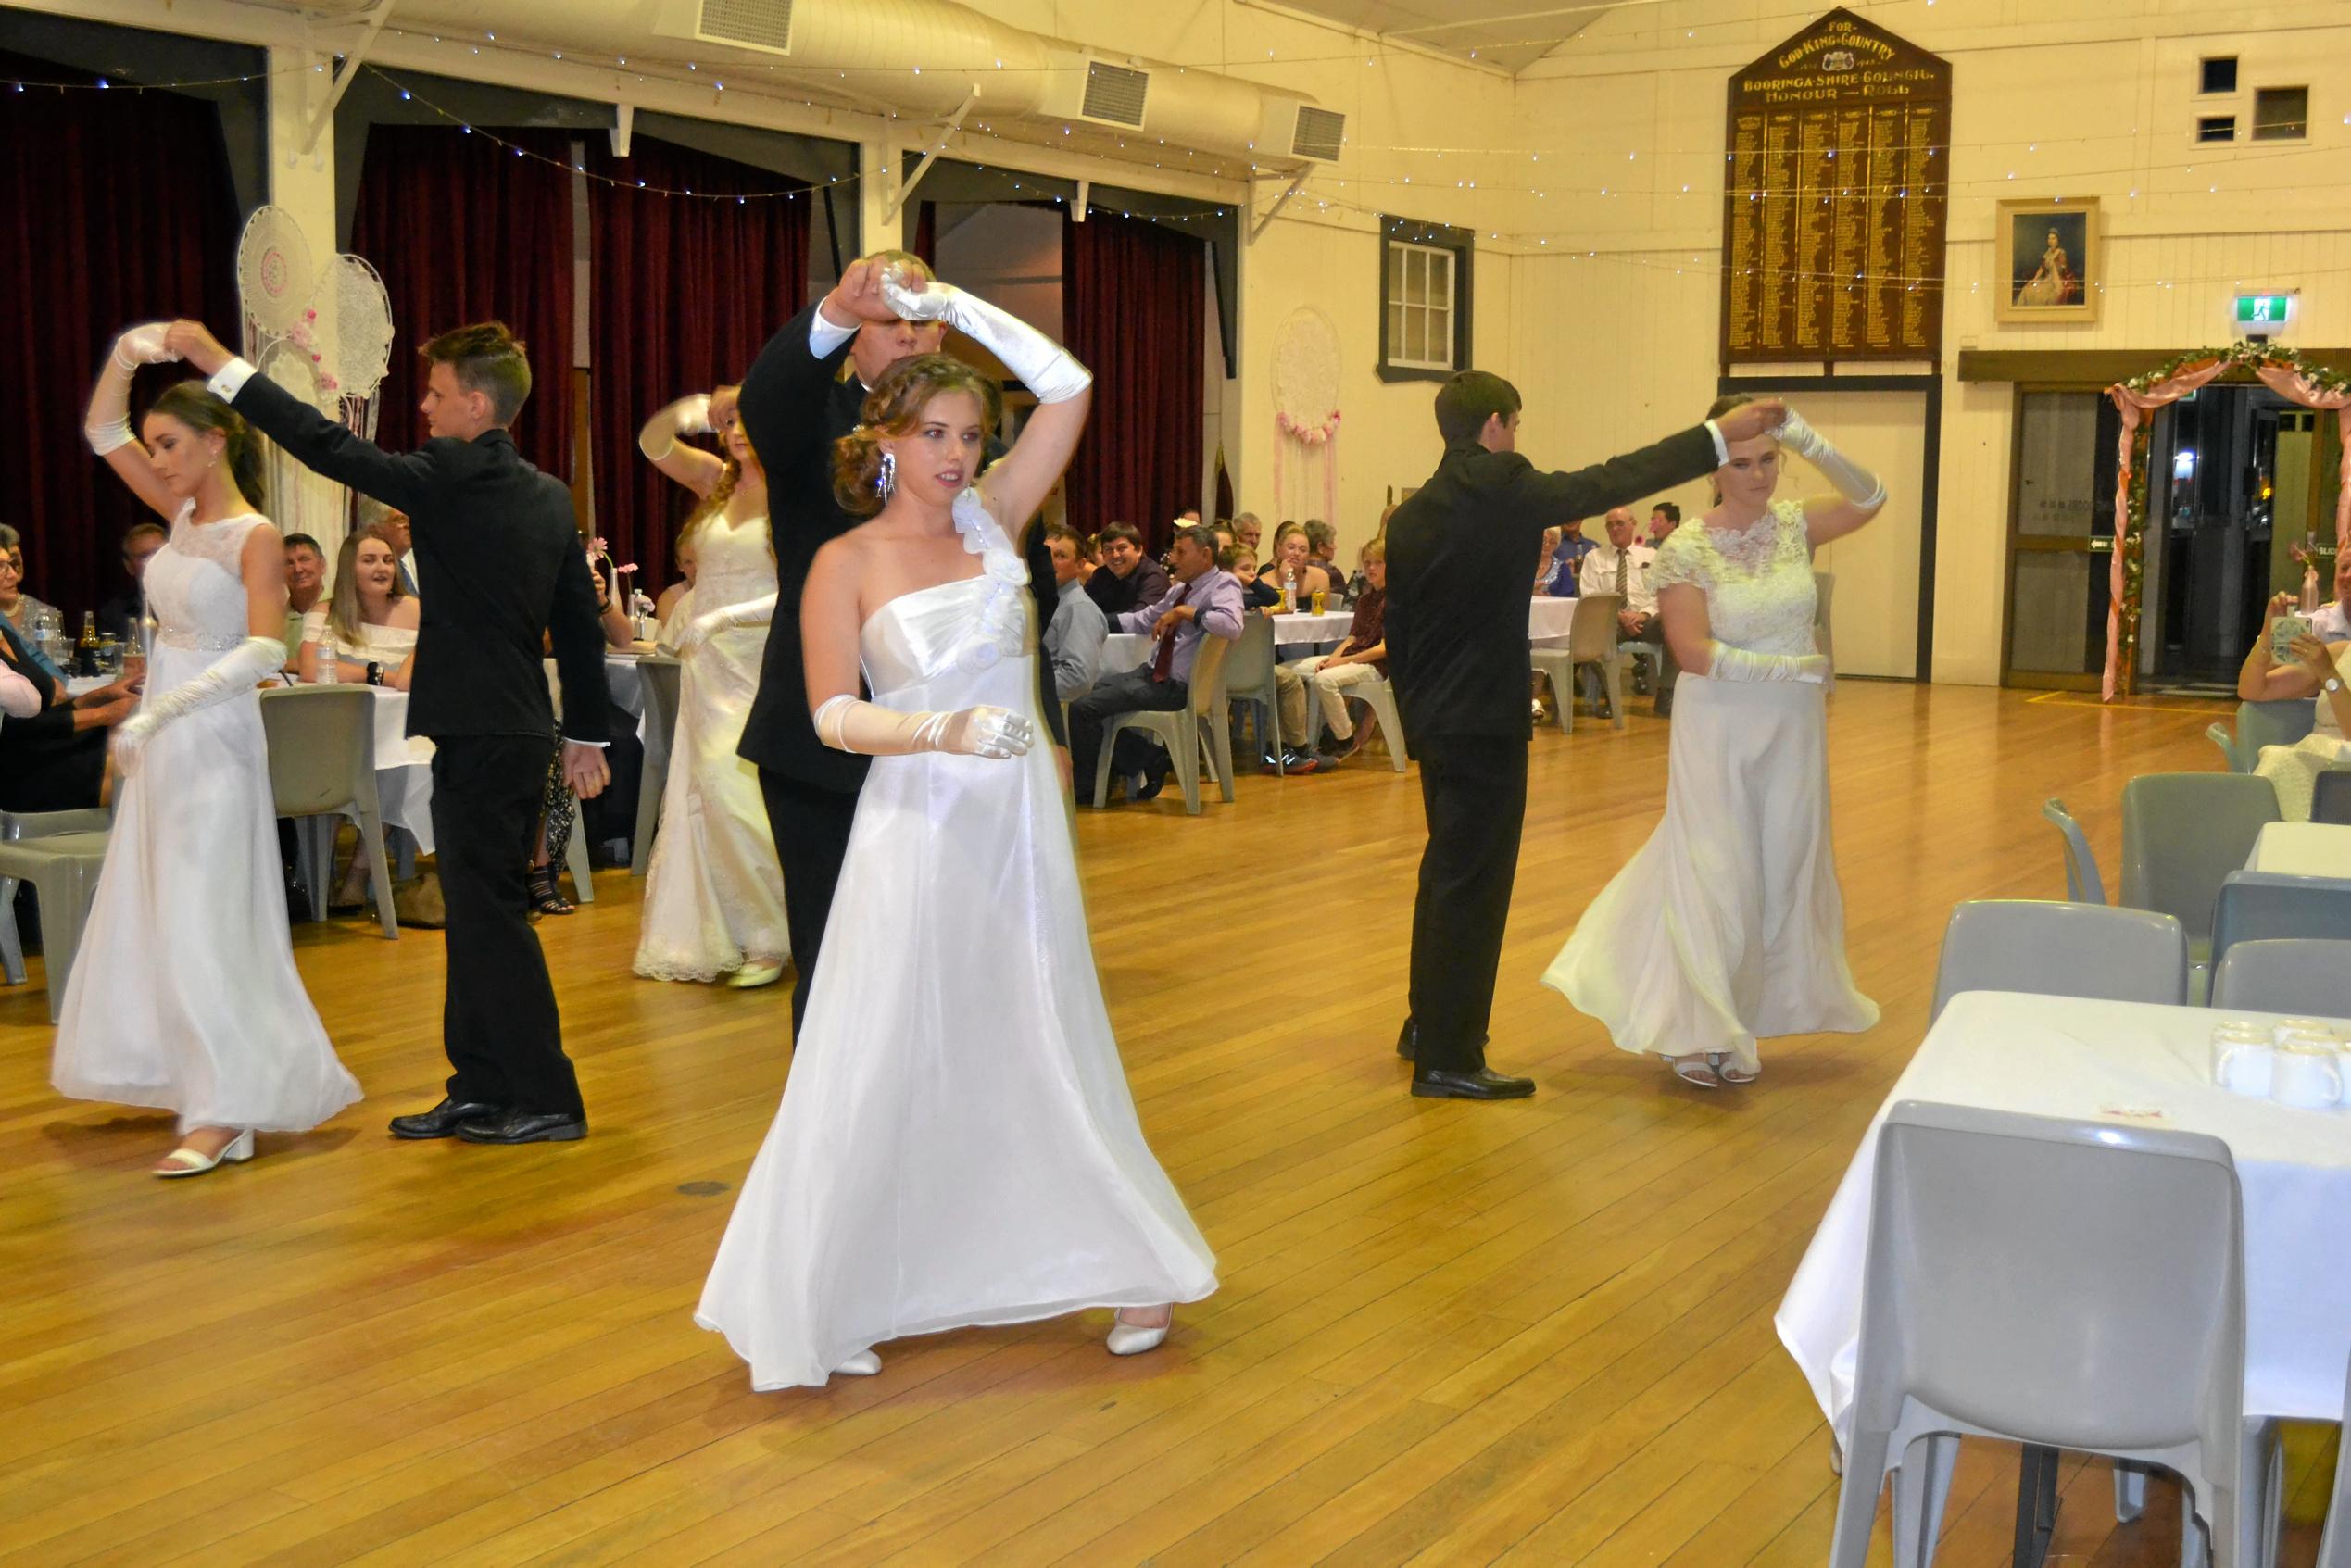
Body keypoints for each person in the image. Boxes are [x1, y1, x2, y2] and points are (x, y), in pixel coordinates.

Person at [697, 330, 1215, 1389]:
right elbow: (834, 712)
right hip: (915, 817)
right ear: (881, 437)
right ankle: (841, 1284)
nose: (955, 454)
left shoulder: (996, 525)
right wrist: (941, 733)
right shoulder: (842, 559)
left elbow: (1071, 385)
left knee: (1038, 1022)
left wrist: (954, 302)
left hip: (1016, 824)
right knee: (881, 1038)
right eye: (932, 431)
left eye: (971, 435)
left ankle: (1129, 1258)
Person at [167, 314, 612, 1147]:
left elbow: (326, 445)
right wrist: (586, 729)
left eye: (438, 394)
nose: (426, 408)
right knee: (482, 916)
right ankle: (480, 1084)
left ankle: (548, 1095)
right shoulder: (549, 494)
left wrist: (221, 367)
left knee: (494, 919)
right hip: (514, 725)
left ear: (476, 405)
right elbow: (578, 623)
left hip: (483, 726)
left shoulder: (448, 473)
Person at [1385, 370, 1790, 1100]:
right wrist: (1714, 438)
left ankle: (1427, 1024)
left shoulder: (1411, 516)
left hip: (1439, 723)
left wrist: (1417, 725)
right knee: (1475, 885)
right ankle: (1447, 1056)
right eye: (1517, 425)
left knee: (1445, 873)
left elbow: (1400, 631)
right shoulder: (1503, 483)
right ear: (1497, 425)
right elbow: (1610, 479)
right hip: (1485, 724)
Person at [734, 250, 1066, 1038]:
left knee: (962, 960)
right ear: (855, 341)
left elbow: (1023, 603)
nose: (914, 337)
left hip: (967, 759)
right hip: (828, 753)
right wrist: (841, 307)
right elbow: (766, 395)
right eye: (892, 322)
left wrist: (1044, 722)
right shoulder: (810, 421)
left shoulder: (971, 458)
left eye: (926, 320)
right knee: (841, 960)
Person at [57, 323, 359, 1174]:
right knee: (163, 909)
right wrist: (126, 352)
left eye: (169, 443)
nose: (154, 459)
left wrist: (163, 711)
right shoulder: (182, 517)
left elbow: (265, 650)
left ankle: (226, 1110)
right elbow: (99, 431)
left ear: (216, 439)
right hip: (164, 736)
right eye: (152, 445)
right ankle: (206, 1087)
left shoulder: (254, 535)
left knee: (205, 917)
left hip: (214, 734)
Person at [1543, 398, 1882, 1088]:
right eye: (1742, 462)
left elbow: (1870, 494)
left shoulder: (1797, 525)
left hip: (1790, 729)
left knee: (1779, 861)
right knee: (1716, 867)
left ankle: (1738, 1016)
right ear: (1715, 468)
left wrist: (1806, 436)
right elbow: (1693, 652)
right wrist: (1792, 668)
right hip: (1719, 721)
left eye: (1769, 460)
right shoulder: (1688, 546)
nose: (1759, 476)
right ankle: (1696, 1028)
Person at [632, 384, 789, 986]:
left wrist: (723, 617)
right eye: (730, 422)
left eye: (750, 419)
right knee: (702, 793)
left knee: (737, 788)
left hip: (758, 655)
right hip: (707, 662)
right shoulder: (717, 480)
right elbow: (651, 445)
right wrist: (691, 410)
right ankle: (726, 929)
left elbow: (800, 587)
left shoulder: (792, 490)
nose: (738, 430)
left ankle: (773, 934)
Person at [1071, 524, 1241, 806]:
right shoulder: (1179, 591)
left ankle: (1088, 788)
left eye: (1180, 551)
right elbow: (1142, 619)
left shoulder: (1224, 584)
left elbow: (1232, 625)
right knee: (1084, 692)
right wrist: (1096, 621)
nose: (1172, 558)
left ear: (1205, 554)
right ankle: (1149, 757)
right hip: (1153, 674)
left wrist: (1187, 612)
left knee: (1083, 709)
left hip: (1175, 685)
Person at [0, 614, 137, 811]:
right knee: (135, 767)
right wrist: (102, 714)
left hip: (41, 747)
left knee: (136, 744)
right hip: (20, 773)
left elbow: (42, 711)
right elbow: (10, 728)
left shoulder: (5, 634)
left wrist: (99, 696)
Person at [2244, 572, 2351, 821]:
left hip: (2341, 775)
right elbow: (2253, 689)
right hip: (2308, 760)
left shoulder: (2329, 663)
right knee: (2279, 763)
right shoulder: (2339, 653)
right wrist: (2267, 634)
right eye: (2344, 568)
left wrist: (2328, 674)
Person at [1284, 535, 1389, 766]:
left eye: (1377, 563)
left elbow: (1384, 650)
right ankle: (1295, 740)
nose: (1370, 568)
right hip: (1353, 656)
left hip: (1375, 666)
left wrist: (1340, 663)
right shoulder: (1365, 600)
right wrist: (1334, 657)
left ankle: (1345, 739)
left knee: (1324, 680)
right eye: (1367, 562)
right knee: (1286, 671)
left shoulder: (1395, 600)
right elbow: (1352, 637)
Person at [1578, 506, 1674, 715]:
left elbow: (1662, 593)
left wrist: (1642, 614)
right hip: (1610, 621)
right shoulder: (1594, 557)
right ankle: (1610, 697)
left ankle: (1667, 694)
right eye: (1610, 525)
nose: (1614, 528)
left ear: (1633, 524)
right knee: (1597, 634)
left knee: (1675, 623)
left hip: (1646, 619)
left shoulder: (1652, 555)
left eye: (1620, 523)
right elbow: (1589, 595)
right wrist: (1619, 616)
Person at [298, 529, 420, 688]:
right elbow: (310, 668)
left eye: (388, 560)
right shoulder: (325, 611)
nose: (382, 568)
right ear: (349, 570)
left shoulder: (417, 611)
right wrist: (380, 676)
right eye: (369, 561)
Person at [1043, 521, 1107, 703]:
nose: (1050, 563)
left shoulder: (1077, 608)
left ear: (1080, 565)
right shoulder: (1045, 601)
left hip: (1050, 707)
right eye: (1046, 555)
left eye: (1060, 556)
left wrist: (1025, 690)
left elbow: (1077, 678)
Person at [94, 520, 167, 642]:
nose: (153, 561)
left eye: (158, 553)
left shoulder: (195, 604)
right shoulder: (114, 613)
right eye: (144, 556)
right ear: (129, 566)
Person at [1083, 521, 1170, 618]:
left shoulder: (1153, 577)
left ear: (1138, 550)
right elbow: (1083, 608)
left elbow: (1138, 619)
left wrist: (1093, 620)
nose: (1115, 555)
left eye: (1121, 548)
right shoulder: (1100, 575)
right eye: (1108, 549)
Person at [0, 524, 62, 646]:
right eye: (1, 566)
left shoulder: (44, 615)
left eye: (14, 561)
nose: (12, 574)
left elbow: (51, 663)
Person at [1265, 521, 1332, 610]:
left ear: (1308, 555)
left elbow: (1324, 619)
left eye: (1303, 550)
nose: (1297, 553)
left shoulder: (1320, 577)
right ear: (1279, 550)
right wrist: (1288, 578)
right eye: (1291, 547)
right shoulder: (1264, 582)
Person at [1224, 544, 1280, 610]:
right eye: (1245, 568)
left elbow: (1274, 597)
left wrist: (1251, 582)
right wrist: (1260, 603)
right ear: (1227, 572)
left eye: (1254, 568)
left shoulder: (1254, 587)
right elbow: (1239, 601)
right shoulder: (1223, 591)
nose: (1252, 573)